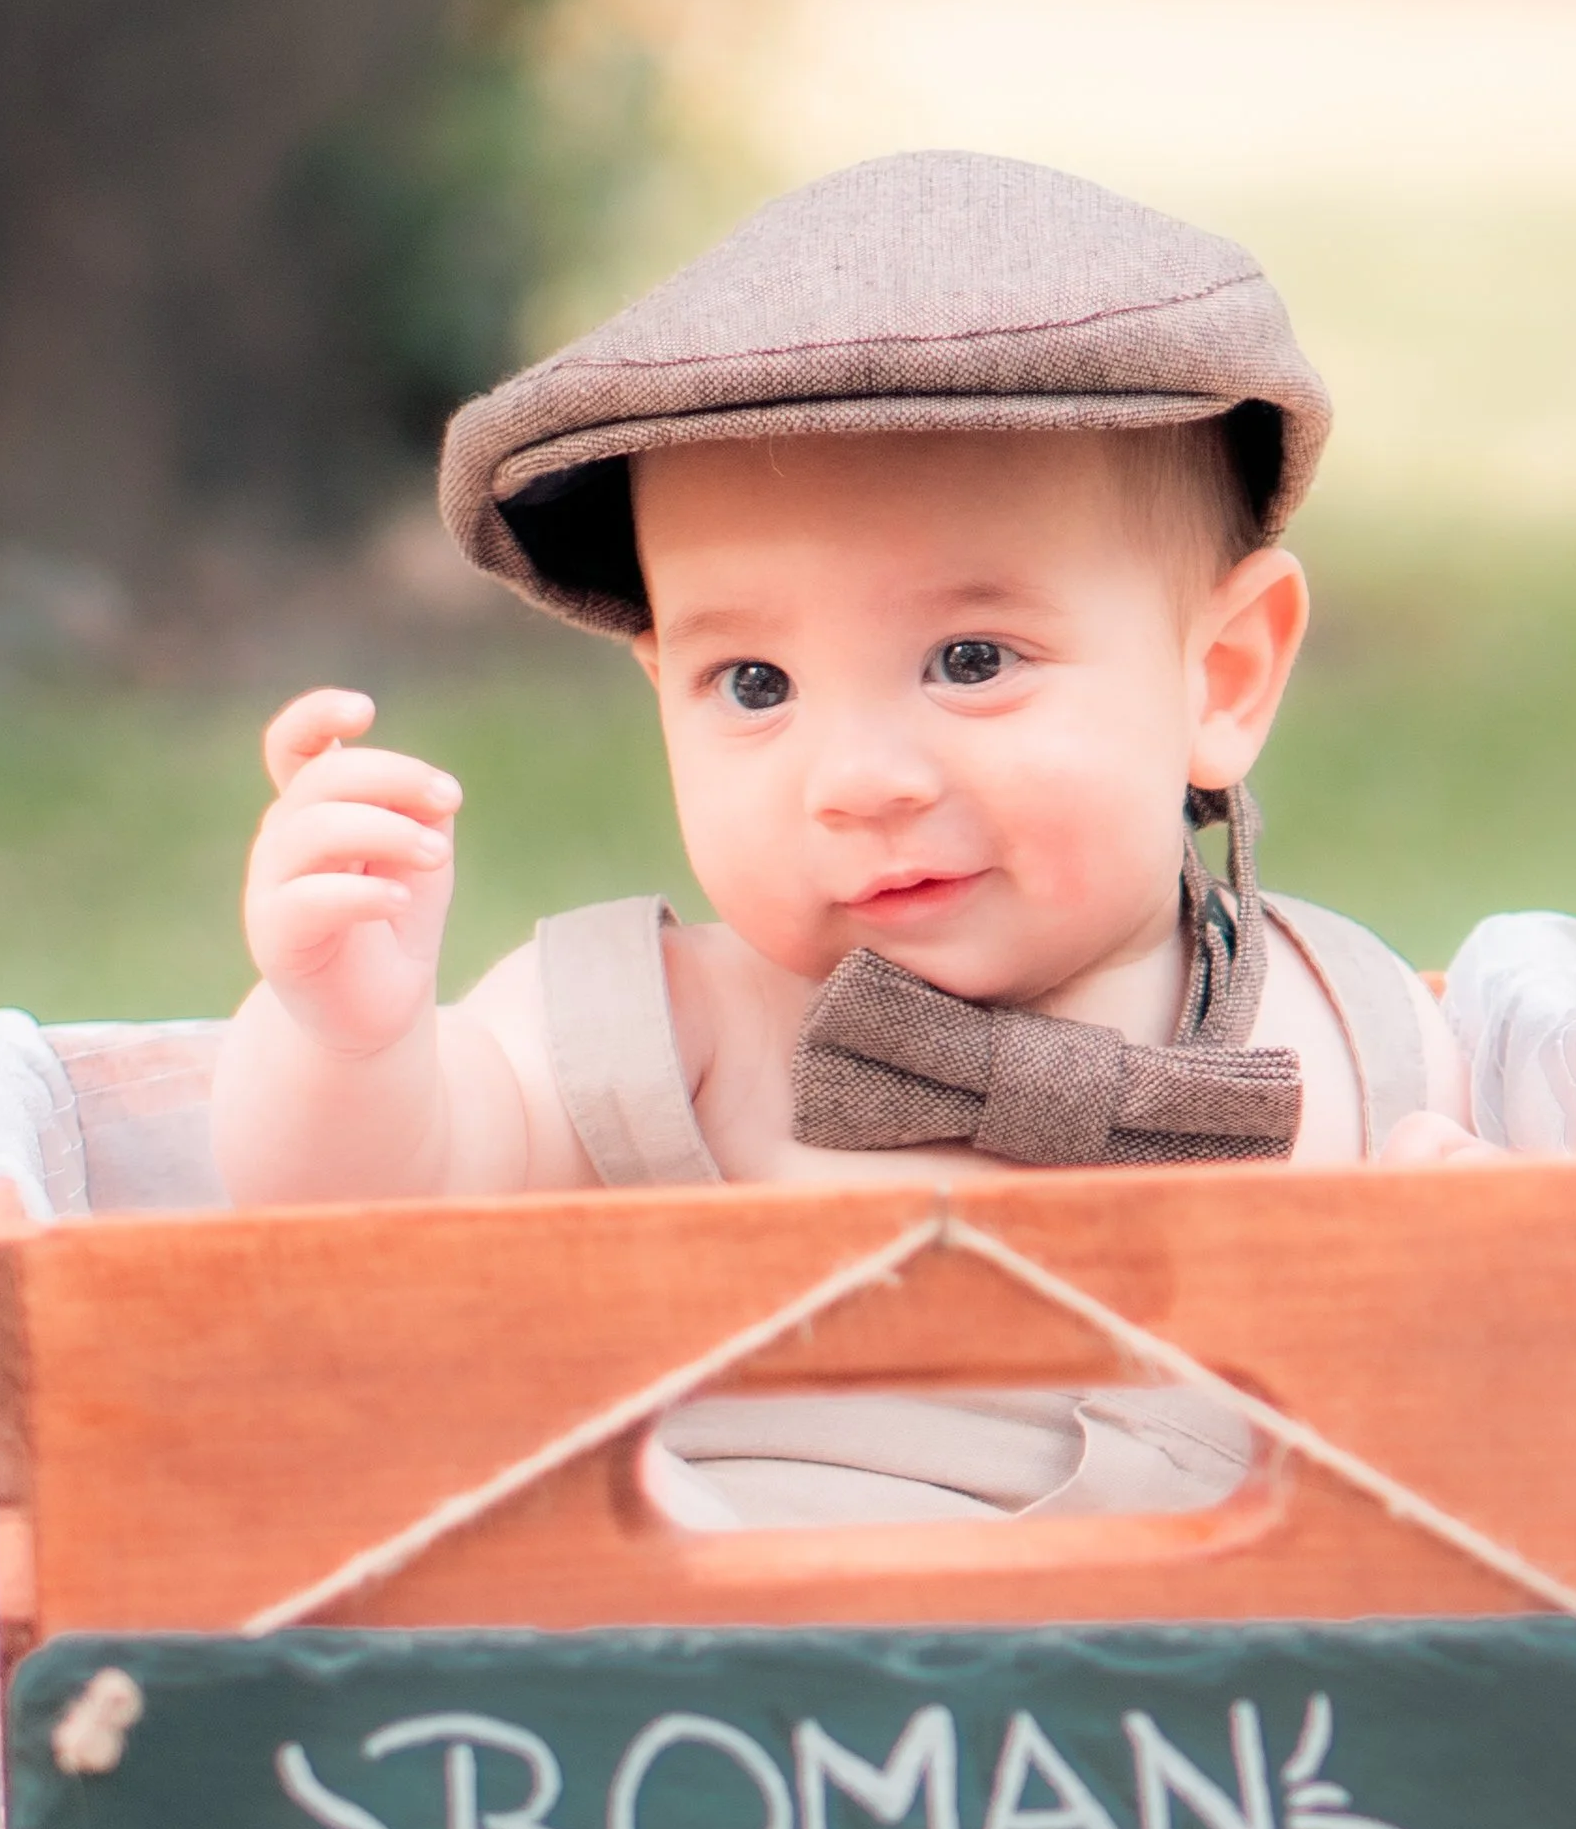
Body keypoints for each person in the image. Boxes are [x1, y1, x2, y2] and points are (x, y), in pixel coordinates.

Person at [214, 148, 1487, 1221]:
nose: (860, 783)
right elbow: (363, 1211)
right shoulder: (658, 1040)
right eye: (756, 683)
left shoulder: (1361, 1041)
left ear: (1220, 676)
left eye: (972, 662)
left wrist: (1491, 1266)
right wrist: (347, 1045)